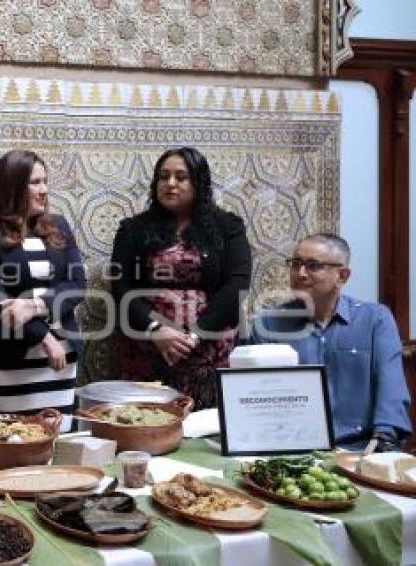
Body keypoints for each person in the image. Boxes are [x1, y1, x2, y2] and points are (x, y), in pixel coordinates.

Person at [110, 146, 252, 409]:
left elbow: (237, 284)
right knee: (149, 426)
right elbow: (121, 287)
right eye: (163, 177)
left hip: (208, 348)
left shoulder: (227, 226)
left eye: (180, 177)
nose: (170, 184)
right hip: (147, 347)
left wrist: (194, 336)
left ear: (198, 182)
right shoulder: (133, 229)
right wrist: (156, 330)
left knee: (206, 429)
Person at [251, 234, 412, 450]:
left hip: (362, 447)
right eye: (295, 264)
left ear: (342, 275)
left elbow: (391, 387)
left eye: (313, 266)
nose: (300, 274)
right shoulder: (269, 323)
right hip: (293, 448)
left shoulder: (375, 320)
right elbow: (257, 393)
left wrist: (384, 439)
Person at [0, 150, 85, 431]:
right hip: (7, 354)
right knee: (11, 437)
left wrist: (34, 306)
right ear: (11, 185)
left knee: (58, 437)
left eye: (45, 181)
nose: (44, 190)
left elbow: (77, 285)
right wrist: (42, 335)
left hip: (61, 356)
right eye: (35, 182)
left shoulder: (58, 225)